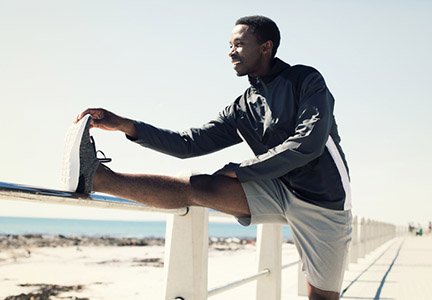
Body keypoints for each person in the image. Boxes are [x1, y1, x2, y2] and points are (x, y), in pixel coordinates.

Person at [68, 15, 352, 300]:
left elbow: (308, 144)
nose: (230, 52)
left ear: (266, 47)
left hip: (322, 200)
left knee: (321, 298)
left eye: (239, 44)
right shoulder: (242, 108)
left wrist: (241, 170)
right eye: (229, 45)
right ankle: (98, 178)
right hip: (276, 188)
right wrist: (126, 125)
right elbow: (187, 143)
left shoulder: (305, 80)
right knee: (199, 185)